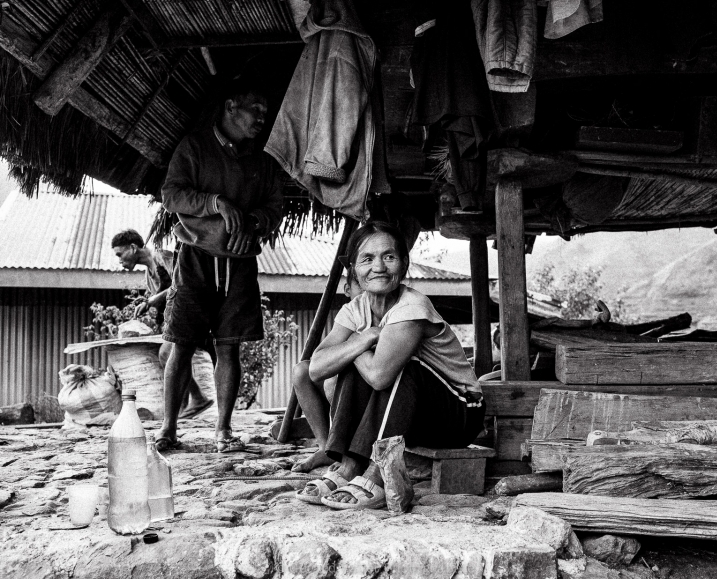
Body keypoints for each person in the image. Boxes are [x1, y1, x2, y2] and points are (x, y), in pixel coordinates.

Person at [296, 221, 485, 509]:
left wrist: (354, 345)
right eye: (367, 259)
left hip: (458, 414)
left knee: (395, 365)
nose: (379, 267)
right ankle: (347, 467)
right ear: (355, 269)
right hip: (413, 417)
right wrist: (363, 340)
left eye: (389, 257)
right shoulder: (356, 309)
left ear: (404, 263)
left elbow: (380, 376)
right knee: (352, 359)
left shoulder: (412, 307)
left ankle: (376, 474)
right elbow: (315, 368)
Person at [154, 79, 284, 453]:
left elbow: (275, 207)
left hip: (240, 265)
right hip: (195, 260)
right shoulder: (194, 147)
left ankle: (223, 430)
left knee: (229, 348)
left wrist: (255, 223)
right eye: (254, 110)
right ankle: (168, 429)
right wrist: (216, 202)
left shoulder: (263, 159)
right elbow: (171, 194)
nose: (262, 118)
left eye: (264, 112)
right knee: (181, 345)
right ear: (230, 107)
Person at [111, 229, 214, 419]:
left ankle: (198, 398)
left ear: (133, 248)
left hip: (191, 313)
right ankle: (181, 411)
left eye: (120, 254)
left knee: (167, 354)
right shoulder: (148, 275)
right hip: (174, 320)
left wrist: (150, 301)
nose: (119, 260)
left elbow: (182, 283)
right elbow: (162, 300)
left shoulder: (162, 256)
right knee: (170, 356)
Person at [291, 269, 362, 473]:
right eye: (359, 284)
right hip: (341, 390)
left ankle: (351, 453)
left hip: (368, 393)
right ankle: (325, 447)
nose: (366, 289)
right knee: (302, 372)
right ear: (347, 289)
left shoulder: (383, 308)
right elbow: (319, 359)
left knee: (338, 380)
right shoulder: (350, 311)